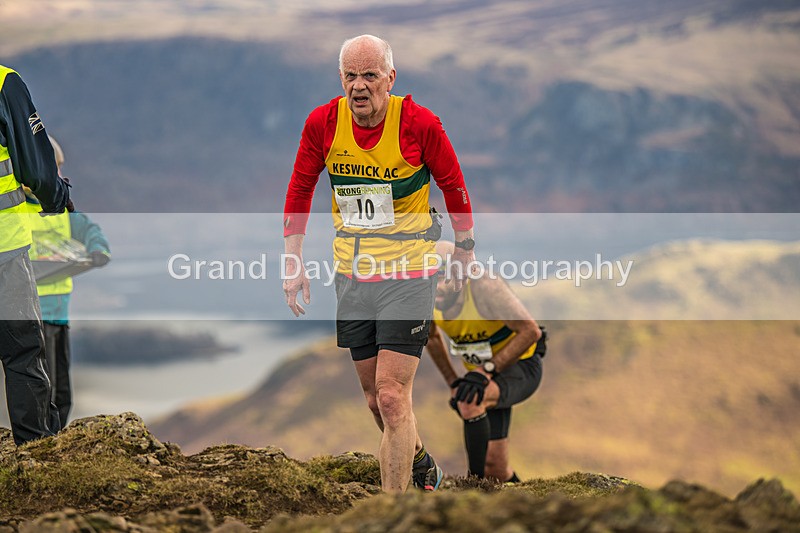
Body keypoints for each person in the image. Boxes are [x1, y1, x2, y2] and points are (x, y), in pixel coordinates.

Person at [282, 35, 476, 493]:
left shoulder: (420, 124)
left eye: (370, 75)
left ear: (391, 77)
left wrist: (465, 249)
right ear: (340, 78)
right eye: (350, 75)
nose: (359, 86)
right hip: (353, 275)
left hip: (409, 273)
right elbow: (300, 189)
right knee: (375, 401)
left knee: (392, 396)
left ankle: (395, 513)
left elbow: (453, 183)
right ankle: (422, 461)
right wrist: (292, 261)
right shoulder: (323, 124)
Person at [427, 241, 547, 482]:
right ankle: (524, 505)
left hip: (520, 364)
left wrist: (487, 370)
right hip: (481, 375)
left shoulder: (484, 286)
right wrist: (452, 380)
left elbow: (530, 331)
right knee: (497, 469)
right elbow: (431, 338)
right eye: (430, 278)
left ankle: (473, 486)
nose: (436, 288)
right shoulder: (424, 294)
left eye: (443, 278)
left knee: (470, 401)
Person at [0, 64, 72, 445]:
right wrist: (58, 197)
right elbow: (37, 167)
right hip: (4, 252)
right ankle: (35, 454)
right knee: (23, 353)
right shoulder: (4, 83)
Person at [23, 135, 111, 429]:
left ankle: (58, 439)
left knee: (62, 386)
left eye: (59, 169)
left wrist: (98, 250)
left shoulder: (62, 209)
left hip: (59, 314)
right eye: (54, 169)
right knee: (42, 385)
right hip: (33, 314)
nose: (59, 176)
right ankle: (44, 439)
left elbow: (88, 228)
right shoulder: (19, 213)